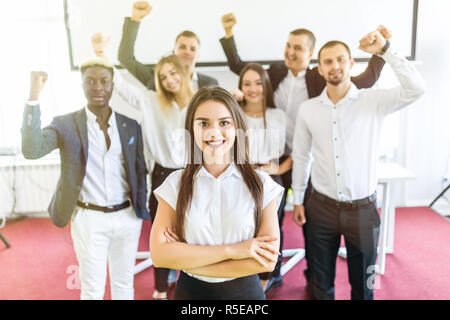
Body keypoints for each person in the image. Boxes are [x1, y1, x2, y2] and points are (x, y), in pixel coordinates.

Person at [220, 13, 389, 291]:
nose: (290, 51)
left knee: (311, 220)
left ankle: (316, 276)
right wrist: (229, 35)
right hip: (271, 153)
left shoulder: (320, 75)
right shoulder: (274, 71)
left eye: (298, 48)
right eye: (288, 45)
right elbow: (241, 67)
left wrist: (383, 50)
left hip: (308, 156)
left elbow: (366, 78)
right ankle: (271, 272)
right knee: (268, 219)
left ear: (311, 55)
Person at [291, 30, 425, 300]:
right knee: (320, 283)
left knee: (364, 288)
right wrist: (298, 200)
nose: (335, 66)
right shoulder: (308, 109)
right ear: (320, 69)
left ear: (352, 63)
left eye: (340, 59)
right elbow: (302, 155)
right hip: (320, 208)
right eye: (327, 62)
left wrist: (386, 49)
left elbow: (416, 89)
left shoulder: (373, 101)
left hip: (363, 210)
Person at [21, 59, 149, 300]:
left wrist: (140, 211)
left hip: (127, 217)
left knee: (124, 286)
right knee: (92, 290)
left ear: (112, 85)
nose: (98, 87)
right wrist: (33, 96)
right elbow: (31, 149)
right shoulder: (65, 124)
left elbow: (139, 170)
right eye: (90, 81)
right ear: (81, 85)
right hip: (90, 220)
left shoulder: (130, 125)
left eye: (104, 81)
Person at [150, 86, 285, 300]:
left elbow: (266, 261)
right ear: (191, 129)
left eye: (224, 123)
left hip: (245, 296)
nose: (214, 132)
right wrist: (235, 250)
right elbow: (159, 256)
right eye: (203, 123)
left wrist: (187, 258)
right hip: (190, 295)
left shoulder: (261, 184)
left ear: (237, 128)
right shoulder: (175, 184)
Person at [93, 33, 193, 300]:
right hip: (163, 176)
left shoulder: (199, 101)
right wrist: (102, 55)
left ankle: (189, 288)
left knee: (192, 235)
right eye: (163, 77)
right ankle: (160, 290)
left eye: (173, 73)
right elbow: (122, 86)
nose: (169, 80)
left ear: (183, 72)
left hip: (194, 176)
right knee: (162, 236)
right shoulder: (151, 101)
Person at [230, 63, 290, 292]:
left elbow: (300, 149)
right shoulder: (234, 113)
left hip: (271, 179)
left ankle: (269, 274)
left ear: (266, 85)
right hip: (240, 178)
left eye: (258, 83)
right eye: (247, 84)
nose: (253, 89)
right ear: (240, 87)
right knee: (243, 227)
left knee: (271, 229)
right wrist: (232, 102)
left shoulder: (278, 115)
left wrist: (279, 169)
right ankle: (243, 273)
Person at [118, 1, 218, 91]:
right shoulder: (158, 78)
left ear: (198, 56)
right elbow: (125, 58)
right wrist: (135, 19)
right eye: (182, 47)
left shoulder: (210, 84)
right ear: (174, 52)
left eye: (192, 49)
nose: (187, 52)